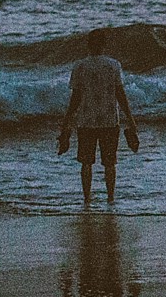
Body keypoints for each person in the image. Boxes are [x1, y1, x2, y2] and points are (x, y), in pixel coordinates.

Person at [59, 28, 139, 205]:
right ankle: (110, 198)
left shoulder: (80, 66)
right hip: (109, 120)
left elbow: (75, 98)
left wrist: (66, 122)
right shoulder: (113, 65)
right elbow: (120, 94)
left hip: (86, 120)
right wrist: (131, 120)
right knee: (110, 164)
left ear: (88, 44)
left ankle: (87, 199)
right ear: (104, 44)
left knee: (86, 163)